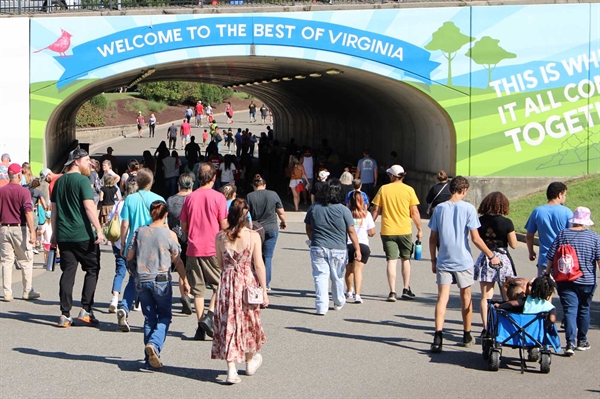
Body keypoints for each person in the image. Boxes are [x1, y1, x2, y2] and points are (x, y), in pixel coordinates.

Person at [427, 176, 501, 352]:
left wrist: (433, 259)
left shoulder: (439, 209)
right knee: (465, 297)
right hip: (463, 260)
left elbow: (432, 239)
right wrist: (490, 255)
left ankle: (438, 336)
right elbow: (475, 238)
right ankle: (467, 333)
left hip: (444, 258)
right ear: (464, 190)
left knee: (442, 298)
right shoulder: (468, 208)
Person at [126, 200, 190, 370]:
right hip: (161, 280)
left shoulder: (139, 231)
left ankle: (149, 360)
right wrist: (184, 279)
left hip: (142, 279)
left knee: (149, 318)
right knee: (164, 316)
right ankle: (154, 344)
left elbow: (129, 255)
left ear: (150, 213)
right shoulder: (169, 235)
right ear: (166, 214)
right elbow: (178, 261)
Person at [211, 198, 268, 384]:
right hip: (247, 283)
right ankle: (250, 361)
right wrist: (264, 291)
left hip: (228, 282)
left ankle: (231, 368)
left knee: (229, 322)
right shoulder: (253, 236)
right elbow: (259, 265)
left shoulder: (220, 236)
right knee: (249, 320)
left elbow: (220, 263)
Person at [51, 149, 105, 327]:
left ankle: (64, 314)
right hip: (82, 234)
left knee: (68, 272)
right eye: (87, 160)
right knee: (92, 268)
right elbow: (89, 207)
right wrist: (99, 229)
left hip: (64, 236)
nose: (90, 163)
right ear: (76, 162)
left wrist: (54, 235)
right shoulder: (82, 180)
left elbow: (54, 212)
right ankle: (86, 309)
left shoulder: (58, 182)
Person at [180, 163, 228, 340]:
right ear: (214, 178)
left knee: (198, 290)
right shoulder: (219, 198)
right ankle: (209, 315)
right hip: (212, 247)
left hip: (193, 248)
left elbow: (183, 226)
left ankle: (200, 326)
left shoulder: (189, 198)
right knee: (221, 284)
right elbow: (223, 225)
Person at [545, 206, 600, 355]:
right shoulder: (595, 237)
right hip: (587, 281)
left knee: (570, 310)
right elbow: (599, 260)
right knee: (584, 309)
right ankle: (582, 341)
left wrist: (547, 273)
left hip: (565, 279)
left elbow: (551, 256)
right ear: (586, 221)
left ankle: (570, 343)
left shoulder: (563, 234)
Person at [116, 168, 165, 332]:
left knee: (134, 278)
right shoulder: (159, 199)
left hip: (134, 243)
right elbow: (164, 225)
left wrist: (123, 243)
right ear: (151, 182)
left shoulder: (130, 199)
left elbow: (124, 224)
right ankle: (152, 316)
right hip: (153, 244)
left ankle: (125, 306)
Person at [304, 179, 361, 315]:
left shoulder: (314, 207)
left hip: (318, 246)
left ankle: (321, 306)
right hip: (338, 248)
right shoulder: (343, 210)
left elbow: (308, 226)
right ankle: (338, 300)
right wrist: (357, 248)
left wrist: (312, 238)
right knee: (337, 276)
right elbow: (351, 230)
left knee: (320, 276)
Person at [371, 165, 421, 301]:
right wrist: (420, 229)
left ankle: (392, 291)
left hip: (388, 230)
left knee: (391, 261)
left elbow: (376, 209)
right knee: (406, 259)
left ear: (393, 176)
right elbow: (414, 212)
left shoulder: (384, 189)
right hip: (405, 230)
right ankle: (406, 288)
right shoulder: (409, 190)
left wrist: (370, 225)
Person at [473, 191, 518, 331]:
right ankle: (505, 327)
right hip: (502, 258)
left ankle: (486, 328)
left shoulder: (479, 220)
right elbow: (514, 244)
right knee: (507, 295)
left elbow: (476, 239)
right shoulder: (507, 222)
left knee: (485, 296)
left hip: (486, 257)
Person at [0, 163, 40, 302]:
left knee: (6, 262)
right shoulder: (24, 192)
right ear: (18, 175)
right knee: (25, 260)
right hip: (20, 228)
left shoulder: (1, 191)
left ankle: (7, 292)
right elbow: (28, 212)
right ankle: (27, 290)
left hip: (4, 228)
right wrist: (32, 232)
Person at [246, 174, 287, 290]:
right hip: (271, 228)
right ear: (264, 185)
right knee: (267, 256)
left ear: (254, 185)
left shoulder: (249, 196)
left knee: (255, 256)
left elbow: (246, 214)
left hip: (256, 230)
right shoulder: (273, 194)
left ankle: (256, 280)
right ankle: (266, 283)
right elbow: (281, 212)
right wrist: (284, 222)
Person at [526, 182, 573, 277]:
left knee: (544, 289)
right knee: (564, 290)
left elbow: (529, 236)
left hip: (545, 260)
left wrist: (531, 252)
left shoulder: (537, 211)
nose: (565, 197)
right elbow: (573, 235)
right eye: (565, 195)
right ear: (560, 194)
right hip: (563, 259)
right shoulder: (567, 212)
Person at [167, 173, 195, 315]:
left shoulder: (171, 200)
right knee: (193, 268)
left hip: (175, 236)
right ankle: (190, 293)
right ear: (191, 184)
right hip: (192, 236)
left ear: (179, 184)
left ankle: (184, 295)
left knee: (180, 266)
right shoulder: (194, 199)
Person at [108, 180, 137, 313]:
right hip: (132, 243)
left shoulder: (118, 204)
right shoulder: (136, 203)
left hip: (118, 242)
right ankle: (135, 301)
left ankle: (114, 298)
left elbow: (110, 220)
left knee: (120, 271)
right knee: (134, 273)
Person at [344, 191, 376, 304]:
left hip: (348, 243)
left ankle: (349, 291)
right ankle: (357, 295)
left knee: (349, 270)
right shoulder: (366, 214)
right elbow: (372, 232)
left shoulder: (346, 213)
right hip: (362, 244)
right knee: (358, 270)